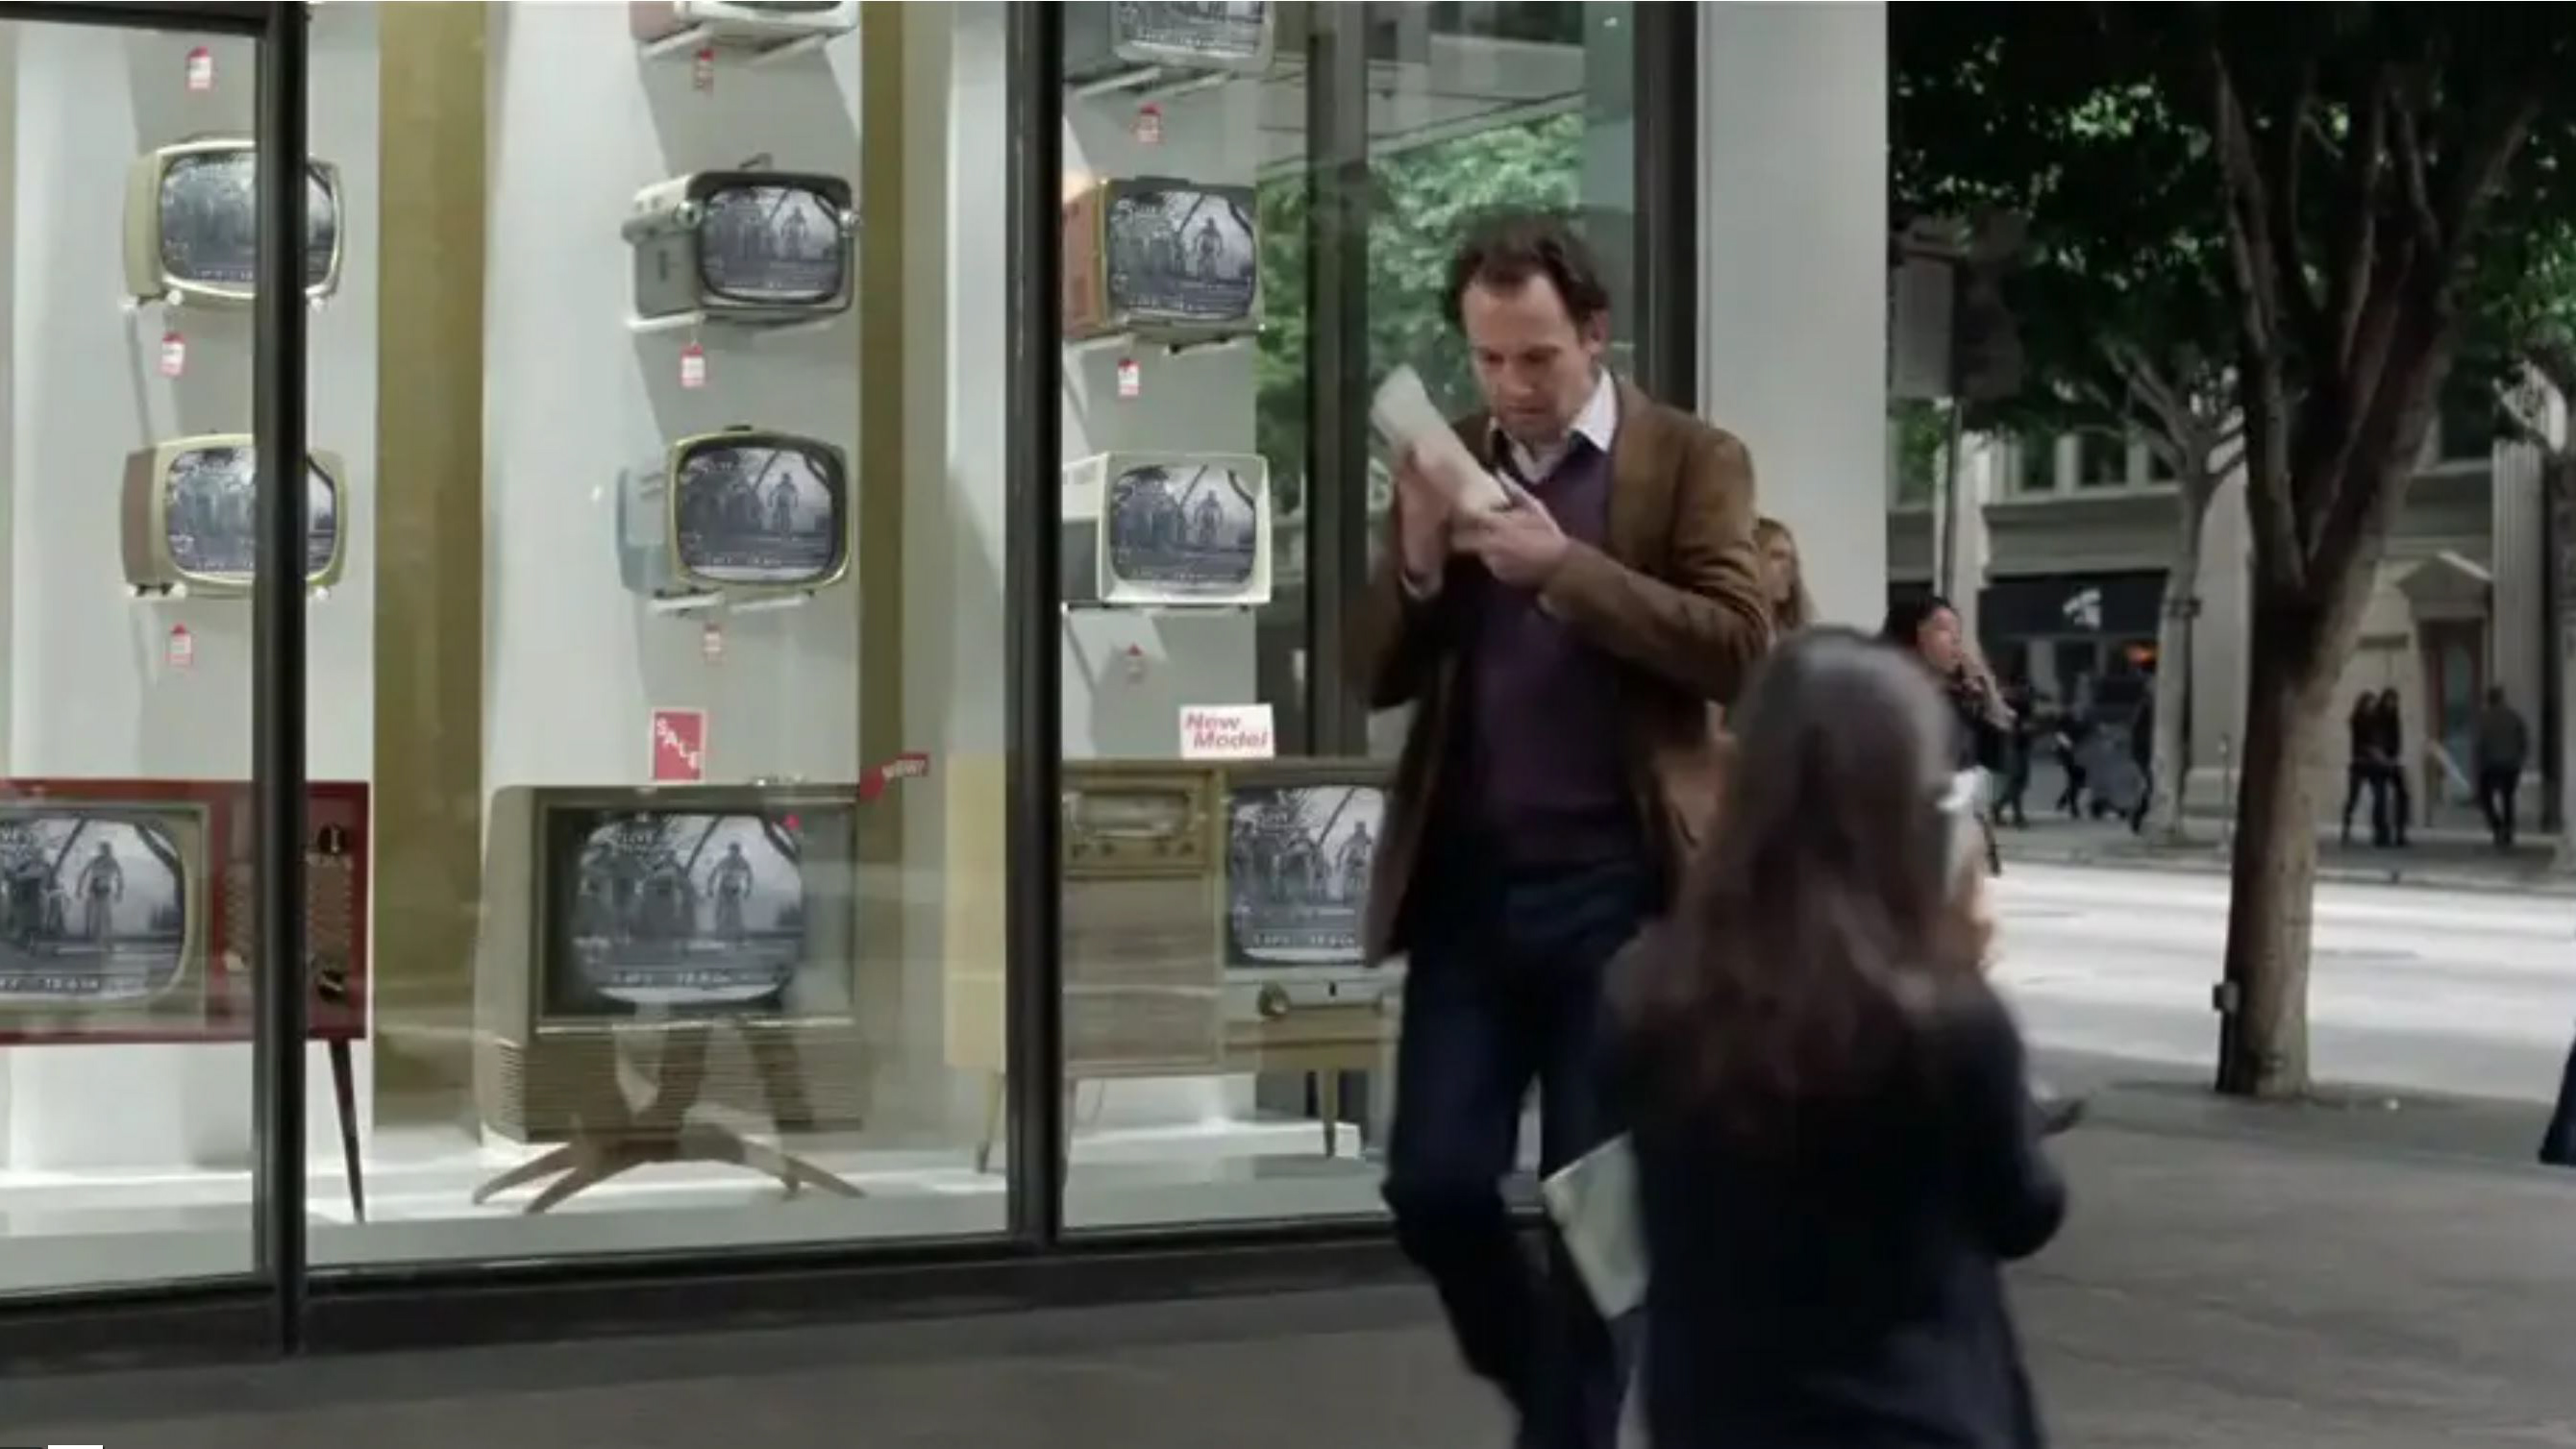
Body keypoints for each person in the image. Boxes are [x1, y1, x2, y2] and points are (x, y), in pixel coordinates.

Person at [1347, 209, 1771, 1449]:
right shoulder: (1449, 460)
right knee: (1432, 1184)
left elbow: (1740, 646)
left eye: (1535, 356)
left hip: (1624, 896)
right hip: (1474, 893)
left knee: (1597, 1216)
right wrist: (1417, 563)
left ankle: (1568, 1426)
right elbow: (1370, 672)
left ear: (1594, 333)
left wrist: (1563, 571)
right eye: (1487, 358)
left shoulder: (1689, 460)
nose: (1511, 387)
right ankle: (1560, 1403)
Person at [1618, 630, 2067, 1449]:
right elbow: (2021, 1210)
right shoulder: (1947, 1023)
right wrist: (1957, 963)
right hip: (1917, 1418)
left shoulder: (1650, 997)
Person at [2474, 686, 2530, 849]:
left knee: (2485, 797)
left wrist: (2478, 765)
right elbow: (2524, 740)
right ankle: (2508, 830)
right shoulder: (2514, 717)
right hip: (2511, 765)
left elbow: (2479, 744)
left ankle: (2497, 825)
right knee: (2508, 798)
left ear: (2488, 700)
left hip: (2490, 765)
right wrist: (2520, 759)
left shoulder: (2484, 719)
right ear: (2502, 698)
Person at [1754, 515, 1816, 635]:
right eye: (1777, 556)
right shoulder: (1726, 630)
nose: (1788, 567)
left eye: (1791, 559)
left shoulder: (1797, 633)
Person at [2340, 693, 2384, 847]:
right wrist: (2375, 753)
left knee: (2378, 796)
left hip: (2371, 764)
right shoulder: (2358, 720)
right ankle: (2346, 828)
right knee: (2353, 797)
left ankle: (2378, 830)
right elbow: (2361, 742)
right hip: (2360, 762)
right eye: (2370, 704)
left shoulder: (2375, 721)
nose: (2372, 707)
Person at [2372, 689, 2411, 847]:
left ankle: (2400, 831)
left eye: (2394, 701)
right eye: (2390, 700)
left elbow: (2397, 739)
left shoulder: (2394, 717)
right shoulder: (2377, 717)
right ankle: (2381, 833)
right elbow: (2374, 739)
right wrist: (2380, 756)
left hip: (2392, 760)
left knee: (2403, 795)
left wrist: (2396, 758)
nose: (2392, 704)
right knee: (2380, 797)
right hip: (2378, 761)